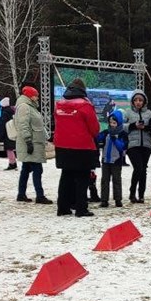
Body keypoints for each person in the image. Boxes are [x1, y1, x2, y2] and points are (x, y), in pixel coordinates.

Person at [54, 77, 100, 217]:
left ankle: (63, 207)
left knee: (66, 176)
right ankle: (81, 208)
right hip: (82, 147)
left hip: (62, 146)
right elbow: (94, 128)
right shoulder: (85, 105)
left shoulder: (59, 105)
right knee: (82, 178)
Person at [13, 86, 51, 204]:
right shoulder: (25, 107)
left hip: (34, 142)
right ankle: (39, 195)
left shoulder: (31, 107)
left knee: (26, 169)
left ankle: (21, 193)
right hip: (31, 143)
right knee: (37, 169)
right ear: (30, 96)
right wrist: (28, 140)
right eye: (36, 95)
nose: (38, 97)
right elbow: (23, 124)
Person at [124, 90, 151, 203]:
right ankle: (132, 193)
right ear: (132, 101)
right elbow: (121, 126)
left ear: (144, 101)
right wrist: (133, 125)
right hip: (132, 145)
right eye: (136, 100)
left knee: (143, 170)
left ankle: (141, 194)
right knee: (138, 168)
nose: (138, 102)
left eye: (140, 100)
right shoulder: (127, 113)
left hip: (146, 145)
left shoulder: (149, 113)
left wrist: (147, 127)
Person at [97, 108, 128, 207]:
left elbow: (122, 147)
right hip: (105, 160)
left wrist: (115, 140)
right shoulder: (106, 132)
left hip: (116, 161)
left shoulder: (122, 134)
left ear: (118, 123)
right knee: (104, 181)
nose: (112, 124)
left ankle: (118, 199)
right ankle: (104, 200)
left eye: (114, 122)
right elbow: (98, 138)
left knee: (117, 181)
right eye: (110, 122)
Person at [0, 97, 17, 169]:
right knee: (11, 148)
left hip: (6, 133)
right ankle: (13, 162)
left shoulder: (4, 113)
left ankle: (12, 163)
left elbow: (3, 125)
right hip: (12, 132)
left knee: (9, 149)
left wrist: (0, 135)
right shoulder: (12, 111)